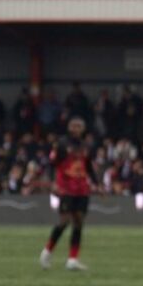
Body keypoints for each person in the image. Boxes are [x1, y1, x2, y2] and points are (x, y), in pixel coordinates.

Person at [39, 116, 96, 271]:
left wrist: (97, 184)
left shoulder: (86, 146)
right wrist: (52, 182)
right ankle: (47, 251)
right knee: (64, 221)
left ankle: (72, 259)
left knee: (78, 222)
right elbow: (51, 165)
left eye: (79, 126)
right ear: (69, 128)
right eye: (74, 126)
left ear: (83, 129)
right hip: (66, 188)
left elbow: (89, 167)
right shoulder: (62, 144)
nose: (76, 129)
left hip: (82, 189)